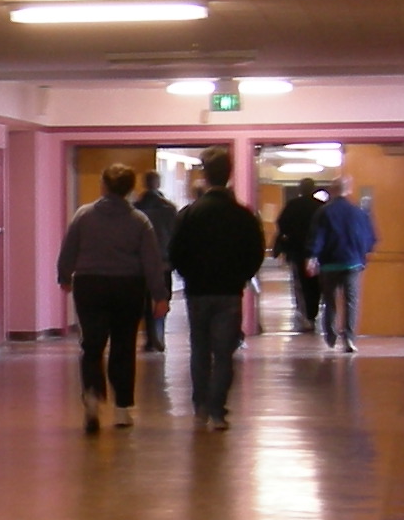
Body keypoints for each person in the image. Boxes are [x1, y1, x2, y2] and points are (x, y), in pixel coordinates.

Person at [56, 162, 167, 432]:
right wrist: (159, 295)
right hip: (128, 286)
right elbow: (152, 261)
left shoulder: (84, 215)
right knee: (124, 345)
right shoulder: (139, 221)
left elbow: (68, 249)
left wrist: (65, 276)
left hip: (90, 285)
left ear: (104, 186)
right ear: (129, 189)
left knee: (92, 345)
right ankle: (122, 409)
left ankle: (93, 396)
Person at [167, 148, 266, 431]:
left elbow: (175, 252)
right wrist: (241, 276)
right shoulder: (243, 216)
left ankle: (200, 405)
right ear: (229, 174)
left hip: (198, 291)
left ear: (205, 175)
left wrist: (188, 275)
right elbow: (256, 252)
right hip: (229, 291)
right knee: (224, 353)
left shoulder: (189, 214)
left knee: (200, 349)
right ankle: (217, 411)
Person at [312, 174, 380, 354]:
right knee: (351, 301)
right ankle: (349, 337)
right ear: (349, 189)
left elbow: (318, 237)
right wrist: (363, 253)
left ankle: (330, 334)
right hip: (352, 263)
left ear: (332, 191)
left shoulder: (324, 212)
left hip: (329, 264)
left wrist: (312, 256)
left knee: (329, 300)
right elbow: (370, 237)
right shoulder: (359, 212)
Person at [131, 170, 180, 353]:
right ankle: (158, 332)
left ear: (144, 184)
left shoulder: (135, 208)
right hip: (163, 262)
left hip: (140, 263)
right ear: (158, 184)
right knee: (163, 297)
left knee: (144, 300)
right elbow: (175, 236)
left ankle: (150, 336)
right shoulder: (169, 209)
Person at [273, 181, 328, 334]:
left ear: (300, 189)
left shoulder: (292, 205)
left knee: (300, 283)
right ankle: (313, 313)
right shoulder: (320, 207)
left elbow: (282, 224)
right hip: (317, 252)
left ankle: (305, 314)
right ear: (313, 189)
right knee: (315, 284)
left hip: (296, 251)